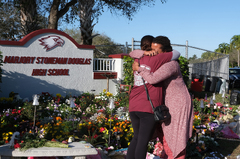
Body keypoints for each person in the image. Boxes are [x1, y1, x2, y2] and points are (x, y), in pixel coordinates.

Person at [131, 36, 193, 159]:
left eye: (157, 50)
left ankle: (177, 156)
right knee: (165, 133)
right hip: (167, 103)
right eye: (151, 50)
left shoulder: (171, 64)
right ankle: (168, 155)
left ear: (165, 51)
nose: (154, 53)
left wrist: (139, 69)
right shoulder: (158, 62)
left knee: (175, 135)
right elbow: (133, 53)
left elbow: (153, 79)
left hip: (177, 103)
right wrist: (143, 53)